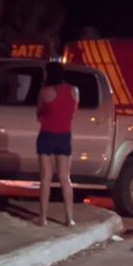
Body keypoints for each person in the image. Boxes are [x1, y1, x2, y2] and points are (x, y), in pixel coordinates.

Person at [35, 60, 78, 226]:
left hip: (47, 135)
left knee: (45, 178)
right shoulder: (74, 91)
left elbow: (39, 113)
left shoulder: (44, 92)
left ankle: (43, 218)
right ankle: (69, 218)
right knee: (65, 178)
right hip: (64, 136)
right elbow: (73, 112)